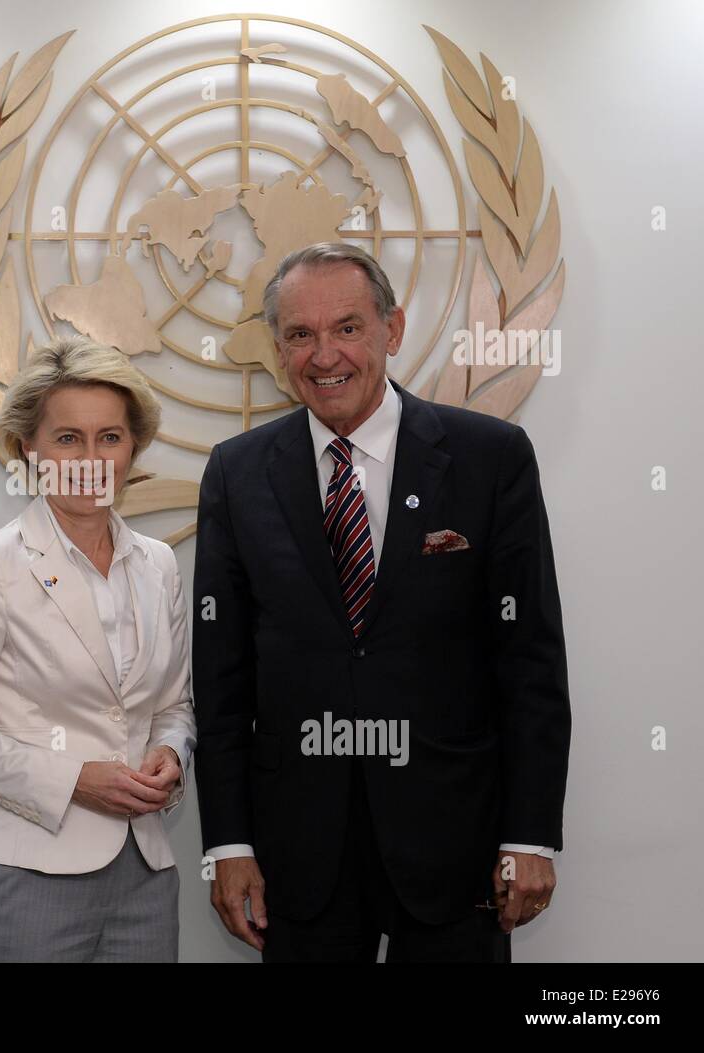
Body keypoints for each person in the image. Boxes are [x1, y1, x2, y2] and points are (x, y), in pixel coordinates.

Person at [193, 241, 571, 962]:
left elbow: (530, 661)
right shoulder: (236, 474)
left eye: (347, 327)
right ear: (278, 348)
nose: (323, 353)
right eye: (300, 334)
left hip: (456, 844)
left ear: (392, 330)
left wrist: (528, 833)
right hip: (299, 854)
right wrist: (229, 842)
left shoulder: (491, 458)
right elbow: (220, 679)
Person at [0, 335, 197, 962]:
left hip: (147, 875)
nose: (91, 458)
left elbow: (174, 707)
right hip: (27, 872)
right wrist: (74, 780)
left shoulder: (157, 565)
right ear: (30, 448)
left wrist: (171, 755)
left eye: (110, 437)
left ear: (133, 447)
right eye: (68, 437)